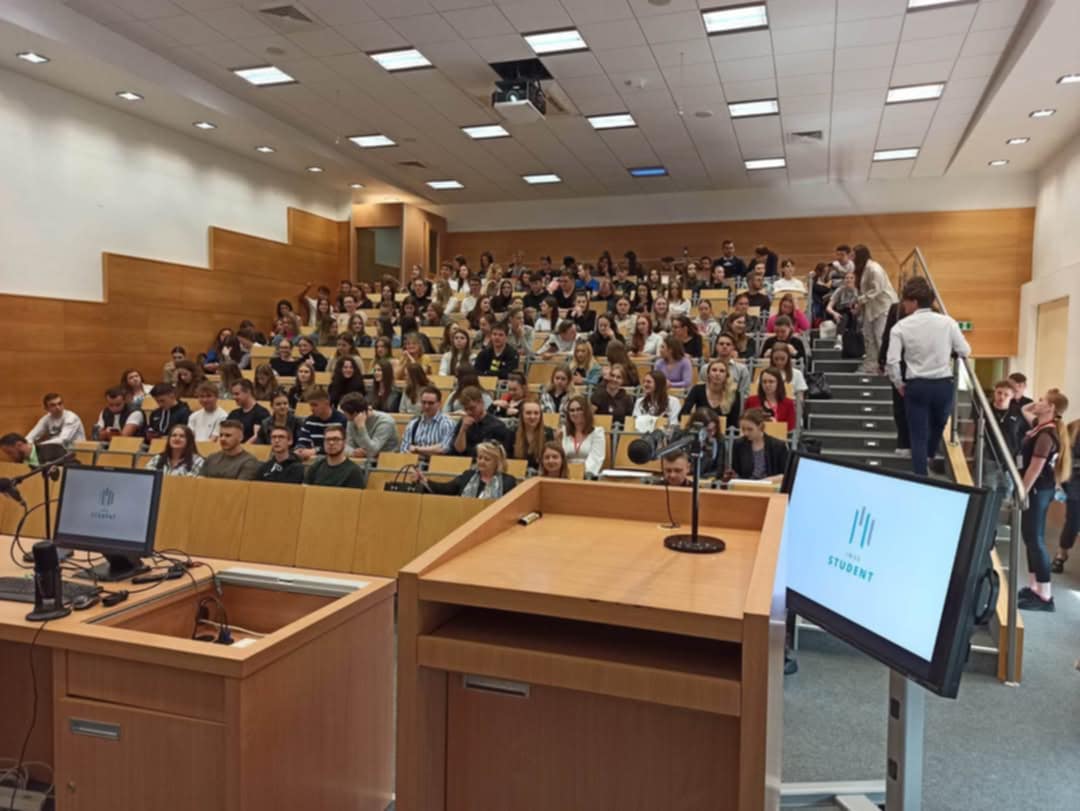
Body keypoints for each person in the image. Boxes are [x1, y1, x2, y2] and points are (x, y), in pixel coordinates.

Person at [886, 277, 971, 476]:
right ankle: (930, 455)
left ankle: (920, 476)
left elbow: (892, 362)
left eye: (905, 301)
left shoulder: (901, 327)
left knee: (917, 435)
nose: (903, 305)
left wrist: (898, 383)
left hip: (917, 385)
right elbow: (965, 350)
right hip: (943, 384)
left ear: (914, 302)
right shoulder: (948, 322)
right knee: (939, 424)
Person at [1017, 390, 1071, 611]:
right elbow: (1023, 409)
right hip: (1038, 489)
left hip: (1038, 490)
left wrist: (1022, 491)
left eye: (1042, 400)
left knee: (1036, 539)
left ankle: (1045, 595)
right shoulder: (1040, 427)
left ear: (1051, 408)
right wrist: (1039, 407)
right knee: (1029, 537)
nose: (1036, 402)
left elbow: (1034, 468)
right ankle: (1034, 587)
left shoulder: (1046, 436)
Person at [411, 441, 517, 499]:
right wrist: (424, 480)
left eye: (487, 459)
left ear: (497, 462)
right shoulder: (468, 476)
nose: (481, 461)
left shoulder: (508, 482)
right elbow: (446, 489)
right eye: (479, 457)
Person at [854, 244, 898, 374]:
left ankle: (886, 367)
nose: (852, 259)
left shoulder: (874, 269)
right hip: (871, 308)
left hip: (883, 307)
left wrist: (860, 300)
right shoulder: (865, 269)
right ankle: (871, 364)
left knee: (880, 337)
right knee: (869, 336)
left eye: (853, 256)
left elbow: (877, 289)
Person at [878, 298, 911, 458]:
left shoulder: (897, 309)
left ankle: (905, 442)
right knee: (903, 406)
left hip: (902, 361)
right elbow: (887, 335)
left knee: (901, 405)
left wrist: (882, 359)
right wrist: (882, 359)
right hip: (907, 362)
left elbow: (887, 335)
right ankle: (907, 442)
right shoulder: (896, 309)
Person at [1051, 418, 1080, 573]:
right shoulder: (1073, 428)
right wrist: (1059, 482)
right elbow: (1062, 457)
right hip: (1075, 482)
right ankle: (1062, 552)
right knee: (1073, 520)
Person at [728, 409, 790, 480]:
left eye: (750, 429)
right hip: (746, 484)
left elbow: (785, 474)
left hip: (770, 484)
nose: (746, 433)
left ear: (760, 426)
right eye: (743, 429)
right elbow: (736, 473)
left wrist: (767, 480)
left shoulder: (778, 446)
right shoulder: (738, 444)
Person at [452, 386, 513, 457]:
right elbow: (459, 450)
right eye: (466, 409)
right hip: (464, 461)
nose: (469, 412)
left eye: (472, 408)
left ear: (481, 402)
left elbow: (498, 455)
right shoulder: (463, 423)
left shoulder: (497, 426)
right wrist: (463, 430)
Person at [303, 425, 367, 489]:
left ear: (344, 442)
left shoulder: (353, 472)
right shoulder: (315, 468)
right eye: (328, 439)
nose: (331, 443)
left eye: (336, 439)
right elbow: (305, 491)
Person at [338, 392, 398, 460]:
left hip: (385, 461)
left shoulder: (385, 422)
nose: (344, 416)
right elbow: (346, 446)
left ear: (355, 413)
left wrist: (361, 428)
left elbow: (371, 451)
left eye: (345, 413)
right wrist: (353, 452)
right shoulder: (351, 420)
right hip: (362, 461)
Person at [400, 386, 455, 457]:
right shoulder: (413, 424)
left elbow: (444, 448)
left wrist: (417, 449)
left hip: (437, 462)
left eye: (431, 403)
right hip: (414, 462)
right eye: (423, 402)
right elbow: (404, 449)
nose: (426, 406)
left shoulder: (447, 423)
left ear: (439, 404)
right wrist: (432, 450)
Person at [294, 388, 348, 460]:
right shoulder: (309, 421)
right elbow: (302, 441)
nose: (311, 408)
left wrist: (315, 451)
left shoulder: (342, 420)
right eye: (310, 405)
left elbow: (341, 446)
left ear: (327, 403)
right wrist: (300, 450)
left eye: (315, 405)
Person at [681, 360, 741, 425]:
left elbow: (734, 423)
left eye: (722, 371)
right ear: (708, 374)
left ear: (727, 376)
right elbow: (682, 415)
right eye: (714, 370)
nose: (717, 374)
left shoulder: (734, 394)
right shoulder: (697, 389)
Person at [559, 394, 606, 478]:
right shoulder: (563, 432)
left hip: (587, 476)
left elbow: (596, 459)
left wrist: (579, 473)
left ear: (586, 411)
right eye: (572, 410)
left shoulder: (597, 433)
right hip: (565, 474)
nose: (575, 413)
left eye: (579, 409)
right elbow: (561, 457)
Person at [745, 368, 796, 432]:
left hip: (779, 436)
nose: (767, 385)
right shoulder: (751, 401)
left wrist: (776, 425)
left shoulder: (788, 403)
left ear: (779, 383)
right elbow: (744, 424)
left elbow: (790, 429)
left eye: (771, 381)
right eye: (764, 382)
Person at [513, 397, 554, 471]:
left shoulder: (548, 433)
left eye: (536, 413)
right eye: (528, 413)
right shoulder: (512, 432)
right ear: (521, 415)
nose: (532, 416)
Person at [990, 379, 1024, 460]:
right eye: (999, 393)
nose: (1002, 397)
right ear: (994, 392)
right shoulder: (985, 409)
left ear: (1012, 396)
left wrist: (1019, 462)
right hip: (989, 456)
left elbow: (1021, 437)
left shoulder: (1018, 412)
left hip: (1011, 458)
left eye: (1006, 394)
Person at [826, 270, 860, 350]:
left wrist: (857, 310)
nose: (849, 280)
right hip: (841, 313)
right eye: (847, 278)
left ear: (855, 280)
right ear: (844, 280)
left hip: (855, 314)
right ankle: (839, 339)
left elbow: (860, 307)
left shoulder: (858, 291)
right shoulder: (840, 290)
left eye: (851, 278)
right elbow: (828, 307)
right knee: (844, 316)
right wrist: (834, 314)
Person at [711, 333, 751, 400]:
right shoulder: (706, 368)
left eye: (728, 344)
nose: (724, 346)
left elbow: (744, 394)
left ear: (733, 347)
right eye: (721, 344)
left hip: (734, 403)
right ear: (716, 346)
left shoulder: (742, 369)